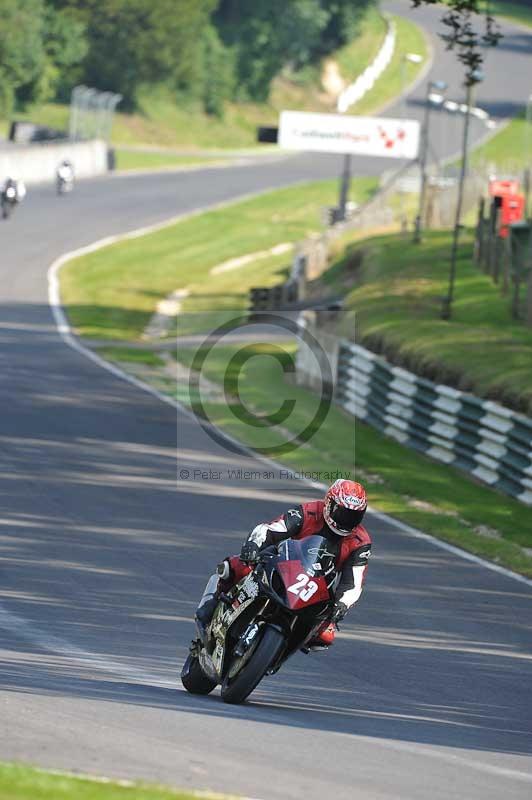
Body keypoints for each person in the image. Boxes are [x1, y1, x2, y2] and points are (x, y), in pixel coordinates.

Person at [195, 478, 371, 650]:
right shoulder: (309, 511)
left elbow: (354, 581)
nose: (346, 520)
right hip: (286, 563)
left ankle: (281, 650)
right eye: (343, 513)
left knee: (326, 635)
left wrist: (342, 604)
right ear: (329, 503)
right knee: (238, 566)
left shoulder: (360, 541)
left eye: (354, 516)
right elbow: (272, 529)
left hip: (318, 586)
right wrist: (254, 545)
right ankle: (212, 603)